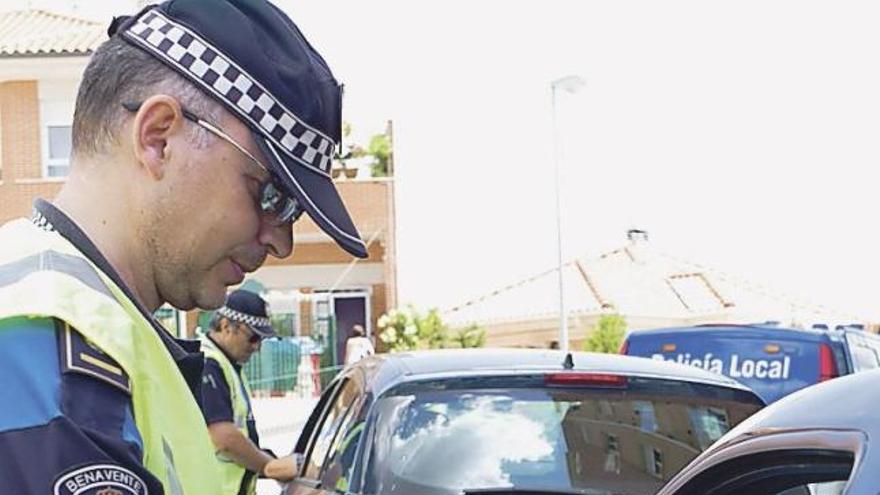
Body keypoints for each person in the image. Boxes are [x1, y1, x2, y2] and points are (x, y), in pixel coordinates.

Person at [0, 0, 367, 492]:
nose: (280, 241)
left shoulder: (97, 325)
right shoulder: (45, 337)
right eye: (272, 194)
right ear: (159, 139)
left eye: (292, 212)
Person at [200, 290, 294, 494]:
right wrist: (270, 467)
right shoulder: (208, 364)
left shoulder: (227, 365)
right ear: (226, 326)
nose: (257, 347)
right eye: (253, 338)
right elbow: (225, 439)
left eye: (261, 340)